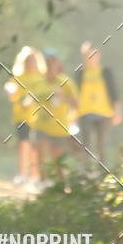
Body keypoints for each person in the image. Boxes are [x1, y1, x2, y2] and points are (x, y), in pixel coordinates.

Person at [29, 49, 78, 183]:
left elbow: (76, 102)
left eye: (52, 63)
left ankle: (61, 186)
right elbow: (29, 99)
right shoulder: (37, 82)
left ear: (57, 65)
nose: (50, 66)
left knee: (58, 162)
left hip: (59, 127)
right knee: (41, 157)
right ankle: (42, 183)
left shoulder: (65, 82)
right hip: (40, 124)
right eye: (47, 63)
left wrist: (63, 98)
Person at [4, 46, 46, 186]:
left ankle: (35, 176)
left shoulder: (42, 78)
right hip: (21, 116)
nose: (31, 63)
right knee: (23, 144)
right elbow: (11, 91)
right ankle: (22, 174)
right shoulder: (18, 78)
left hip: (38, 118)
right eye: (28, 60)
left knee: (35, 146)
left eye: (33, 60)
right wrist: (9, 90)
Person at [76, 41, 121, 163]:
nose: (90, 58)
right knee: (86, 142)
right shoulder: (80, 73)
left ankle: (102, 168)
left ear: (98, 56)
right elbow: (77, 94)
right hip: (85, 112)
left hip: (104, 113)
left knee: (101, 143)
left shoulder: (106, 72)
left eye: (93, 55)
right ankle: (87, 168)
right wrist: (73, 113)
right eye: (87, 55)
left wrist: (117, 111)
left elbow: (114, 92)